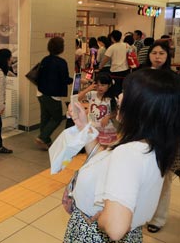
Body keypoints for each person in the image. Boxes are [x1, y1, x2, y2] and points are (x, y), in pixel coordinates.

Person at [64, 68, 180, 242]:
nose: (119, 96)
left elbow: (115, 228)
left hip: (92, 236)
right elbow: (104, 159)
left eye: (126, 92)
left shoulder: (129, 153)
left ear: (142, 106)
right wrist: (83, 125)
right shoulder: (153, 146)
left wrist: (101, 217)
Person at [141, 41, 175, 234]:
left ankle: (159, 217)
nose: (157, 56)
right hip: (143, 132)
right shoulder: (141, 76)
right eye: (154, 52)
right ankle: (141, 211)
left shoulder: (173, 79)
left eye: (161, 53)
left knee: (163, 176)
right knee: (144, 175)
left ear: (167, 56)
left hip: (166, 133)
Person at [35, 37, 73, 150]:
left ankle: (45, 141)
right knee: (57, 118)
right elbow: (65, 79)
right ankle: (42, 137)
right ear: (61, 48)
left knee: (45, 117)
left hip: (40, 92)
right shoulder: (61, 63)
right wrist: (76, 80)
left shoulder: (44, 60)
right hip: (52, 95)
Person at [77, 73, 117, 146]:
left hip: (106, 129)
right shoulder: (92, 94)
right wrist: (88, 89)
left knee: (104, 150)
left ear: (109, 85)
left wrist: (108, 117)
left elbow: (115, 112)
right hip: (92, 128)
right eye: (98, 85)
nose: (100, 87)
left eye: (103, 85)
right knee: (92, 148)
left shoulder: (111, 98)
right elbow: (77, 99)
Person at [98, 30, 130, 97]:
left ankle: (116, 102)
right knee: (124, 89)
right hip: (126, 70)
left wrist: (100, 67)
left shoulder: (112, 47)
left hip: (116, 71)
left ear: (112, 38)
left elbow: (105, 59)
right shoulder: (127, 45)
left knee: (115, 89)